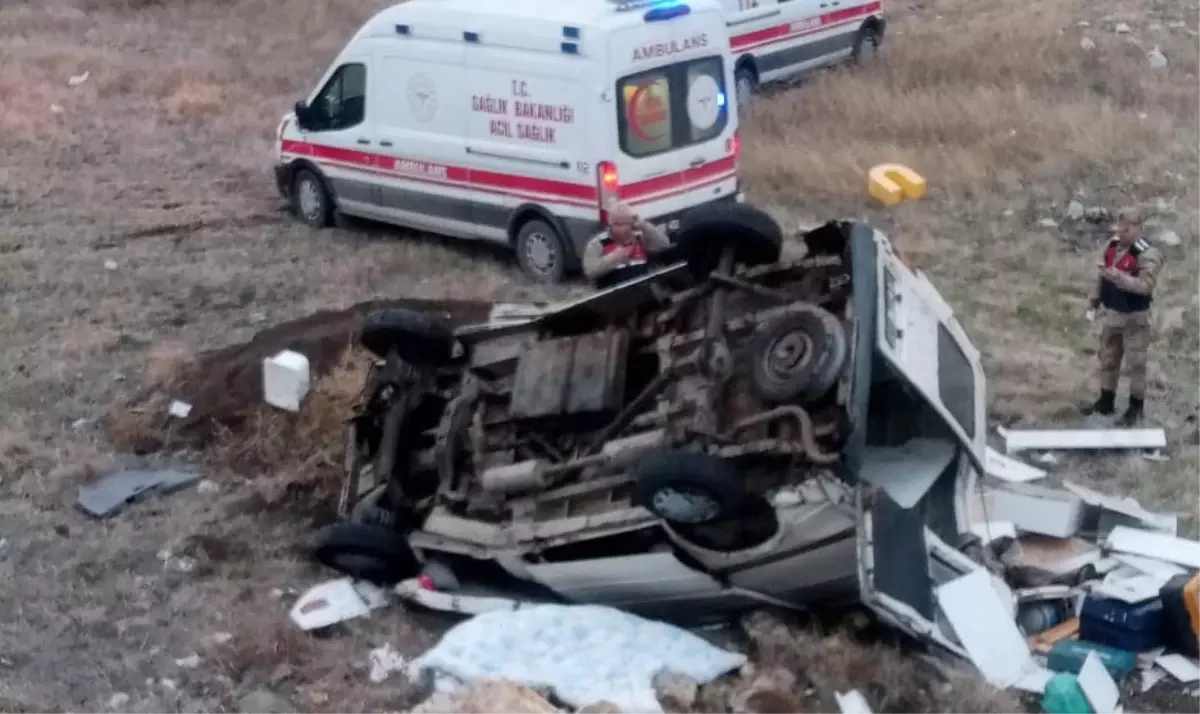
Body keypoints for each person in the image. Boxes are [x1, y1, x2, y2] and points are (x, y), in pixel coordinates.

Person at [1081, 206, 1165, 426]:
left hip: (1135, 318)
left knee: (1135, 364)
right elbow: (1101, 278)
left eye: (1126, 229)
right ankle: (1106, 401)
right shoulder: (1112, 246)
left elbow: (1146, 286)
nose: (1121, 233)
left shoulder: (1149, 254)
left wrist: (1121, 278)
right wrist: (1094, 302)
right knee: (1108, 358)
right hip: (1112, 314)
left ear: (1138, 228)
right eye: (1119, 228)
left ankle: (1135, 408)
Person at [581, 201, 672, 287]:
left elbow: (664, 245)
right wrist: (614, 258)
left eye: (630, 224)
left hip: (643, 289)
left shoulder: (639, 236)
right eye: (622, 225)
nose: (628, 229)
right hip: (613, 294)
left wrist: (644, 226)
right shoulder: (598, 243)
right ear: (612, 225)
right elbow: (590, 272)